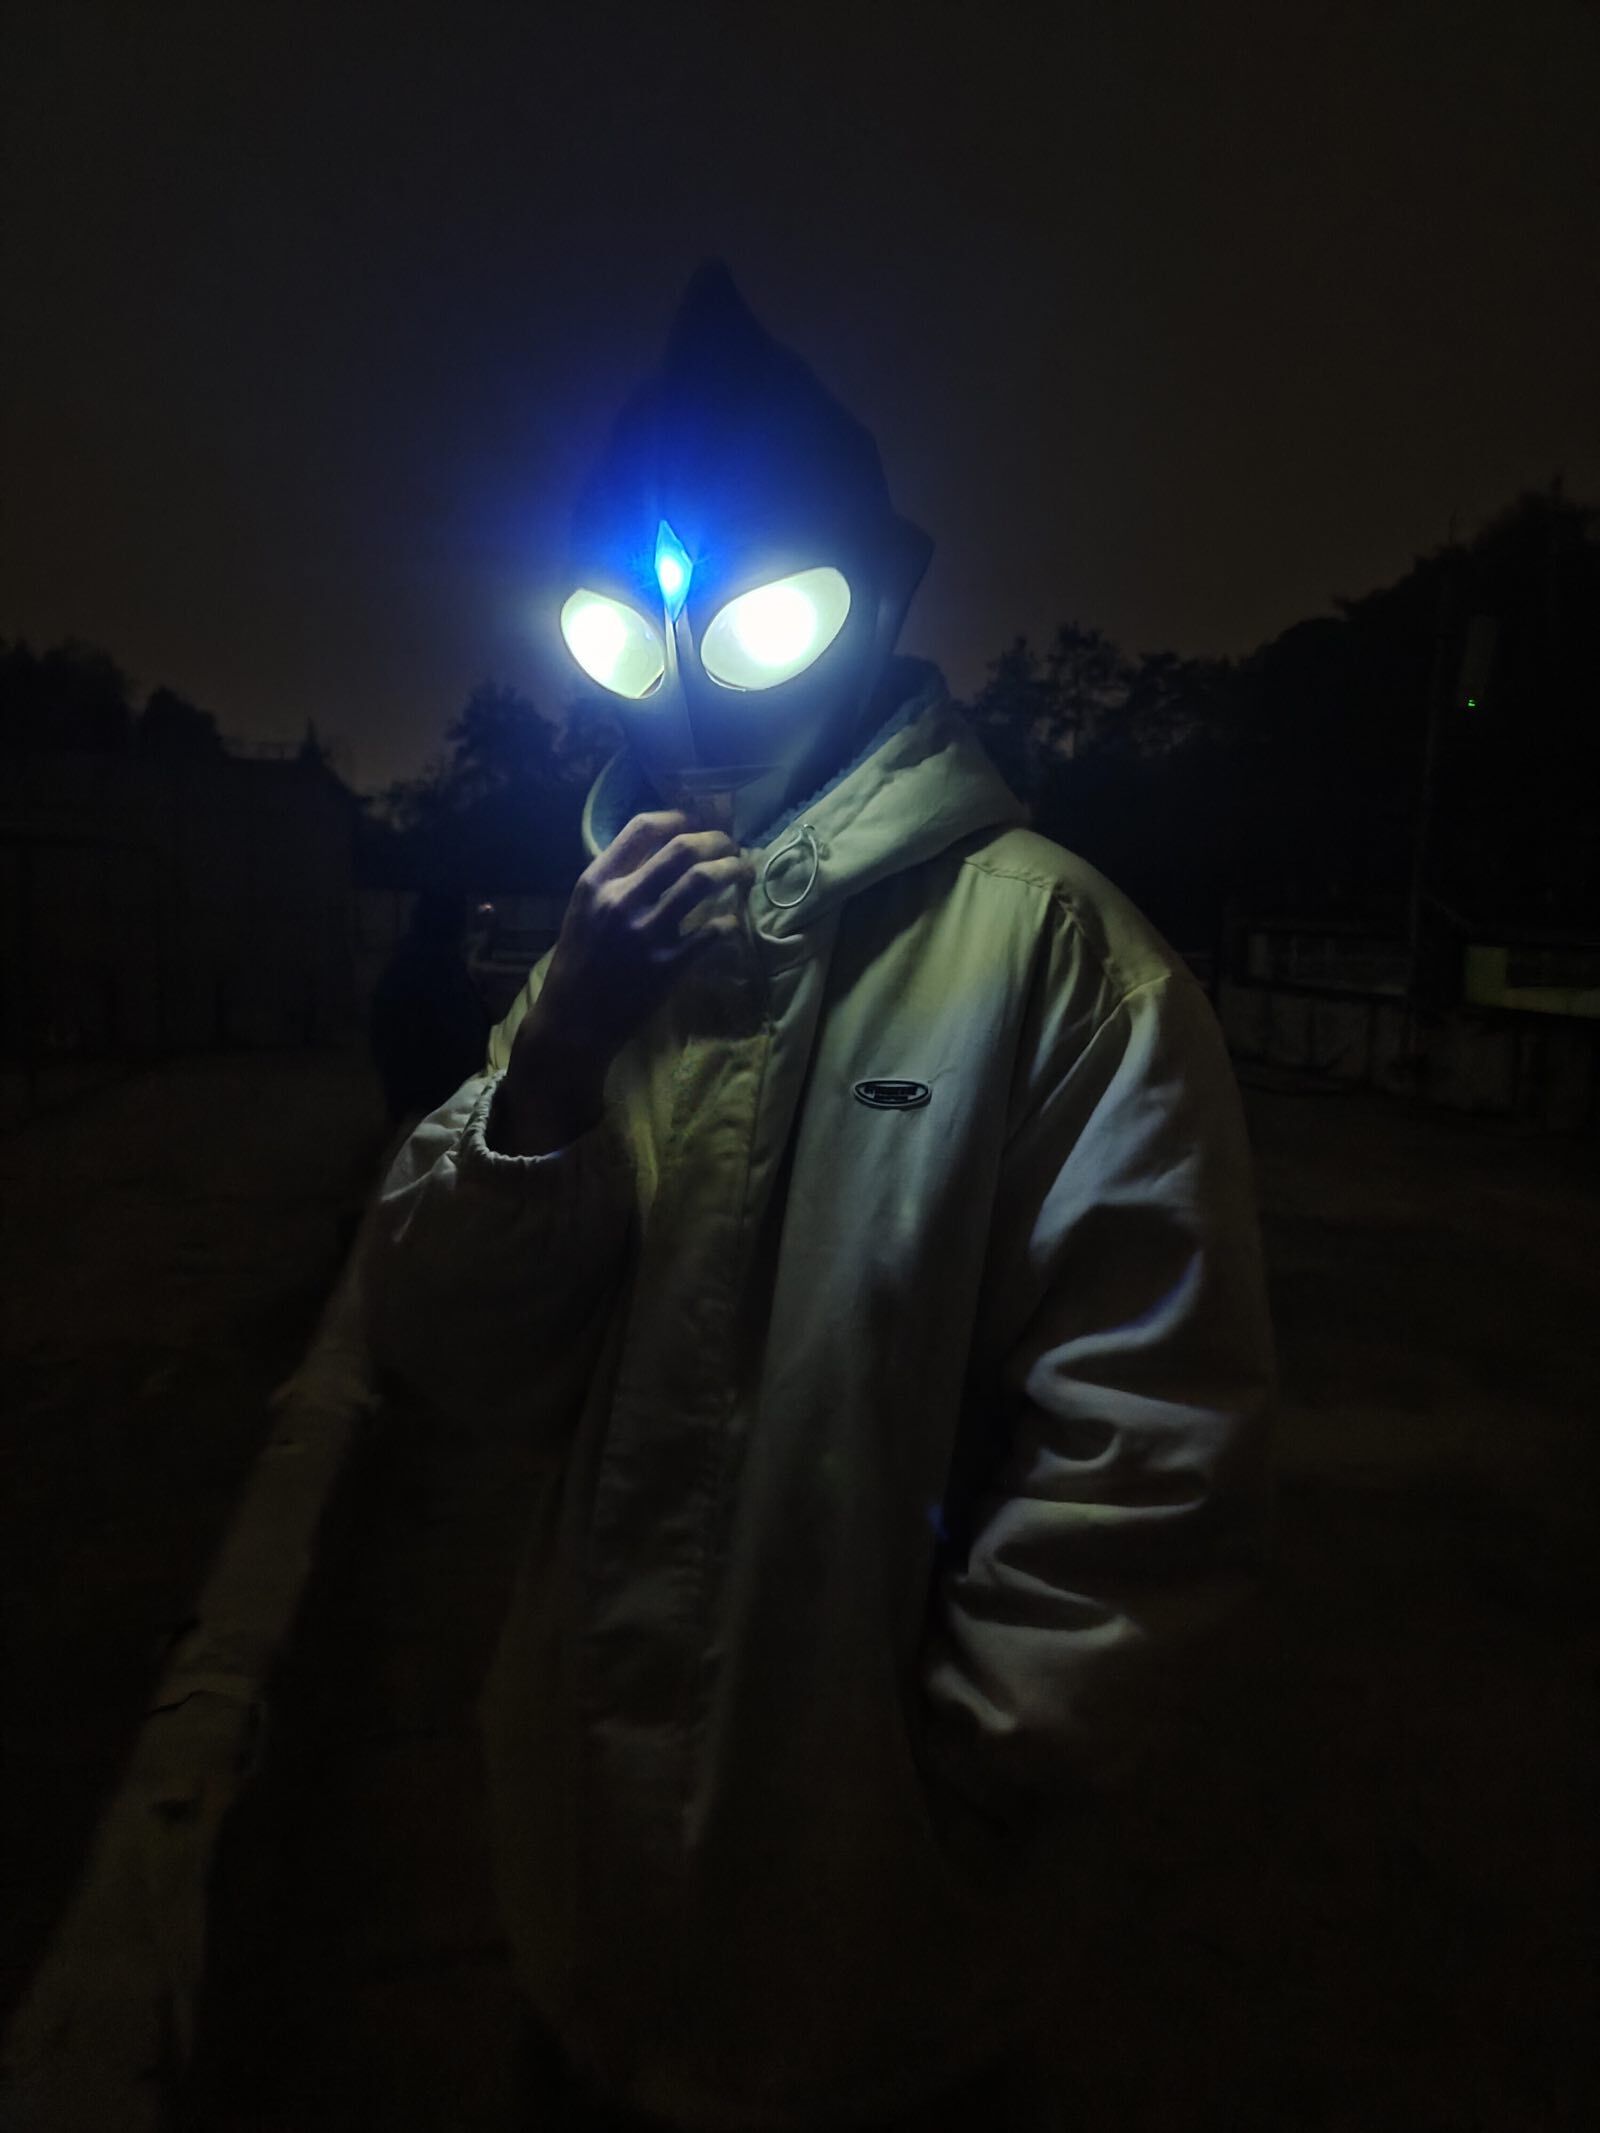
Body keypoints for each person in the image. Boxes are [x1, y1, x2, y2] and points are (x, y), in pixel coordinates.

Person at [361, 264, 1276, 2132]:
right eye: (632, 639)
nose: (698, 686)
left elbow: (1153, 1444)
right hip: (582, 1941)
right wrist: (555, 1056)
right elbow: (453, 1354)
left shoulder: (1054, 961)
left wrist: (955, 1779)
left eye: (766, 620)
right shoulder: (600, 964)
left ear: (883, 597)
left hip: (879, 1992)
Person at [367, 888, 492, 1135]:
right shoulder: (442, 970)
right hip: (433, 1085)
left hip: (402, 1078)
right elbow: (467, 1034)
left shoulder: (406, 959)